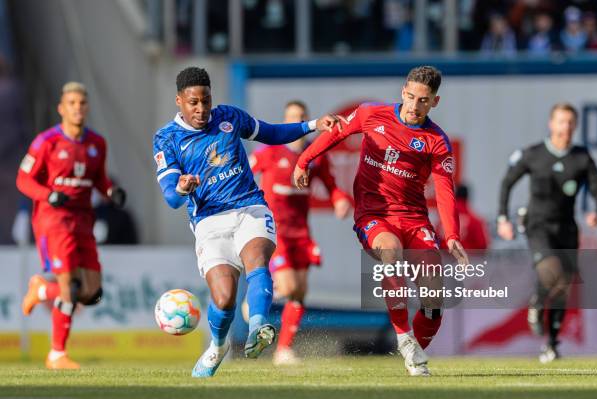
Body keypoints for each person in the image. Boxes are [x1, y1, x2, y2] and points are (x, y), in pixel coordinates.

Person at [153, 67, 343, 378]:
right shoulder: (167, 139)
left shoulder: (229, 117)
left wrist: (312, 125)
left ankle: (258, 326)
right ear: (179, 101)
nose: (202, 109)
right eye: (193, 103)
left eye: (206, 101)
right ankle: (217, 346)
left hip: (250, 207)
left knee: (257, 262)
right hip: (208, 221)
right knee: (225, 297)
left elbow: (270, 132)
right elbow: (172, 199)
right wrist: (182, 188)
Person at [293, 66, 468, 377]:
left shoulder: (436, 141)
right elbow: (335, 134)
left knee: (434, 298)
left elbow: (444, 190)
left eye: (424, 101)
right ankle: (404, 339)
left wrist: (452, 235)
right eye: (411, 97)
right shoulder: (371, 114)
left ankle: (414, 351)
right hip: (374, 215)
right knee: (391, 253)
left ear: (435, 102)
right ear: (403, 92)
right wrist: (304, 160)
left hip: (415, 220)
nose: (415, 106)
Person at [17, 82, 126, 369]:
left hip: (83, 220)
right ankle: (57, 354)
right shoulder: (46, 142)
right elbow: (23, 179)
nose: (78, 108)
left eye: (82, 103)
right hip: (53, 220)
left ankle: (41, 290)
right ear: (61, 108)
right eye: (72, 103)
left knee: (91, 291)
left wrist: (111, 192)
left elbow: (99, 180)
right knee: (69, 286)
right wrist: (48, 195)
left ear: (86, 107)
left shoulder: (97, 143)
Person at [497, 102, 597, 363]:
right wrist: (503, 218)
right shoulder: (534, 154)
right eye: (561, 121)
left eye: (570, 122)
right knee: (551, 271)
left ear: (575, 126)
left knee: (563, 286)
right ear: (551, 123)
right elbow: (508, 182)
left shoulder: (581, 157)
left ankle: (552, 343)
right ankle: (536, 302)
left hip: (566, 227)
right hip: (537, 225)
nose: (565, 127)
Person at [249, 100, 352, 365]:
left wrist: (340, 199)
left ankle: (283, 350)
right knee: (289, 285)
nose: (298, 120)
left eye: (302, 116)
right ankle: (259, 296)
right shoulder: (269, 152)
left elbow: (331, 184)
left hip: (301, 231)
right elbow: (246, 173)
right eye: (292, 117)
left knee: (300, 291)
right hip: (275, 230)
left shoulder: (315, 155)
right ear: (286, 122)